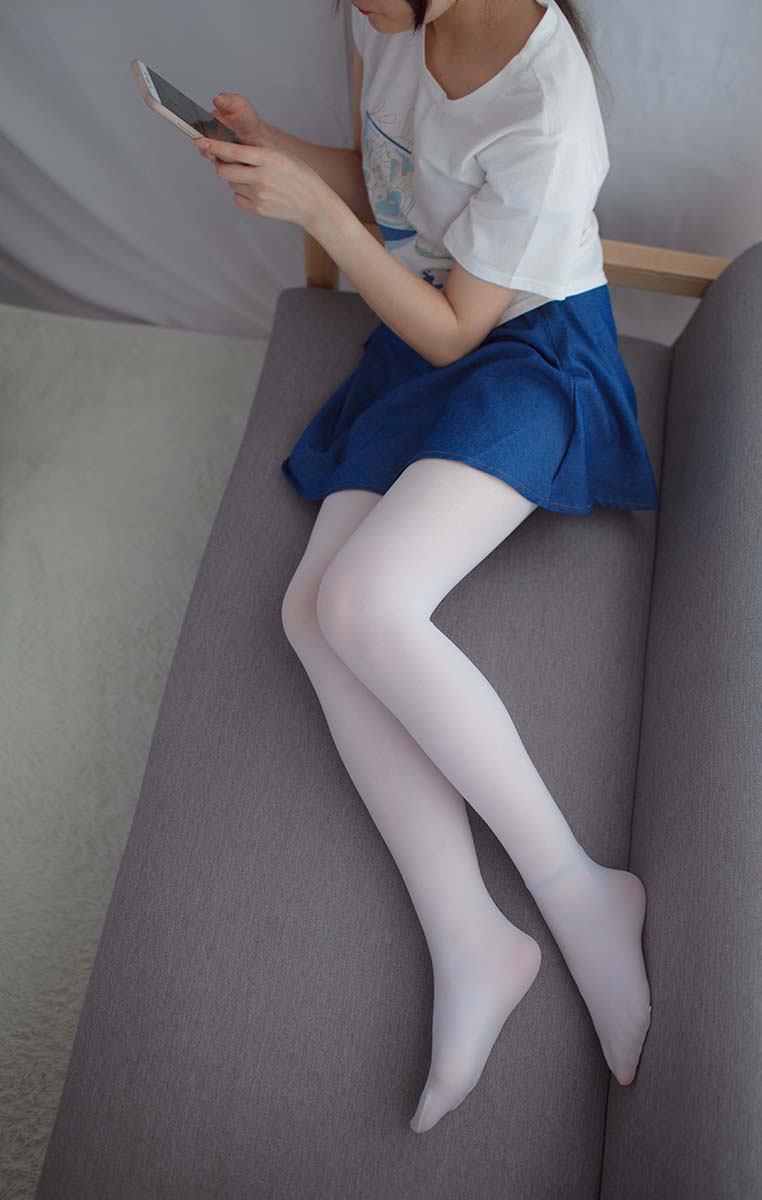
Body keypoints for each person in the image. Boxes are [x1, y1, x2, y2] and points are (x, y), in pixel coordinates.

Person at [194, 0, 655, 1137]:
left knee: (364, 602)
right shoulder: (387, 18)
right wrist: (278, 153)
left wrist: (316, 217)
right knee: (311, 615)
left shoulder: (548, 113)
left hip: (525, 353)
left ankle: (576, 890)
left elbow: (461, 328)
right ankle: (470, 937)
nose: (353, 7)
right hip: (418, 335)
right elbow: (390, 181)